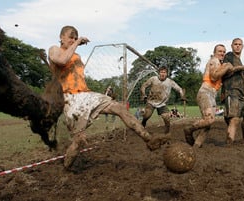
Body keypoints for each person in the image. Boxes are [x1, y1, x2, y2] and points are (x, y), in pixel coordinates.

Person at [48, 25, 168, 169]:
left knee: (120, 108)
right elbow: (61, 61)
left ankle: (149, 139)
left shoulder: (77, 56)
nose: (73, 40)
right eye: (70, 37)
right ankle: (66, 169)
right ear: (61, 37)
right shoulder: (54, 49)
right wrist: (78, 41)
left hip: (86, 95)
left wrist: (74, 45)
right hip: (70, 100)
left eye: (75, 37)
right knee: (79, 140)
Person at [184, 44, 244, 148]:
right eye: (220, 51)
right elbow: (214, 76)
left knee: (207, 125)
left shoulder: (220, 65)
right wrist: (228, 67)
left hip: (211, 95)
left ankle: (196, 146)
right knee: (210, 120)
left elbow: (230, 75)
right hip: (205, 92)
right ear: (215, 52)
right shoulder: (214, 60)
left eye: (224, 52)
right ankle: (189, 129)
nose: (222, 53)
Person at [140, 66, 185, 134]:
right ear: (159, 73)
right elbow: (144, 86)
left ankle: (167, 133)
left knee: (166, 118)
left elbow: (180, 89)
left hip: (162, 104)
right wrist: (143, 94)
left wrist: (182, 96)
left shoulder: (170, 82)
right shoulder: (153, 79)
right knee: (147, 115)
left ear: (167, 74)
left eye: (164, 72)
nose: (163, 74)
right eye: (161, 72)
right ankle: (143, 122)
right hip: (151, 102)